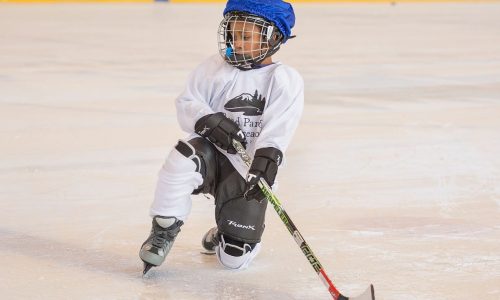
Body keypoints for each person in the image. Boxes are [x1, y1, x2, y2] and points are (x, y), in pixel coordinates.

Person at [139, 0, 304, 274]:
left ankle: (226, 233)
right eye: (233, 35)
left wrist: (266, 160)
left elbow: (279, 128)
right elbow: (186, 103)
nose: (237, 43)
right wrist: (208, 120)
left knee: (233, 261)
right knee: (182, 156)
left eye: (246, 36)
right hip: (210, 157)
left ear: (274, 37)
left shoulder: (284, 79)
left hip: (247, 171)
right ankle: (163, 229)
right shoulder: (214, 68)